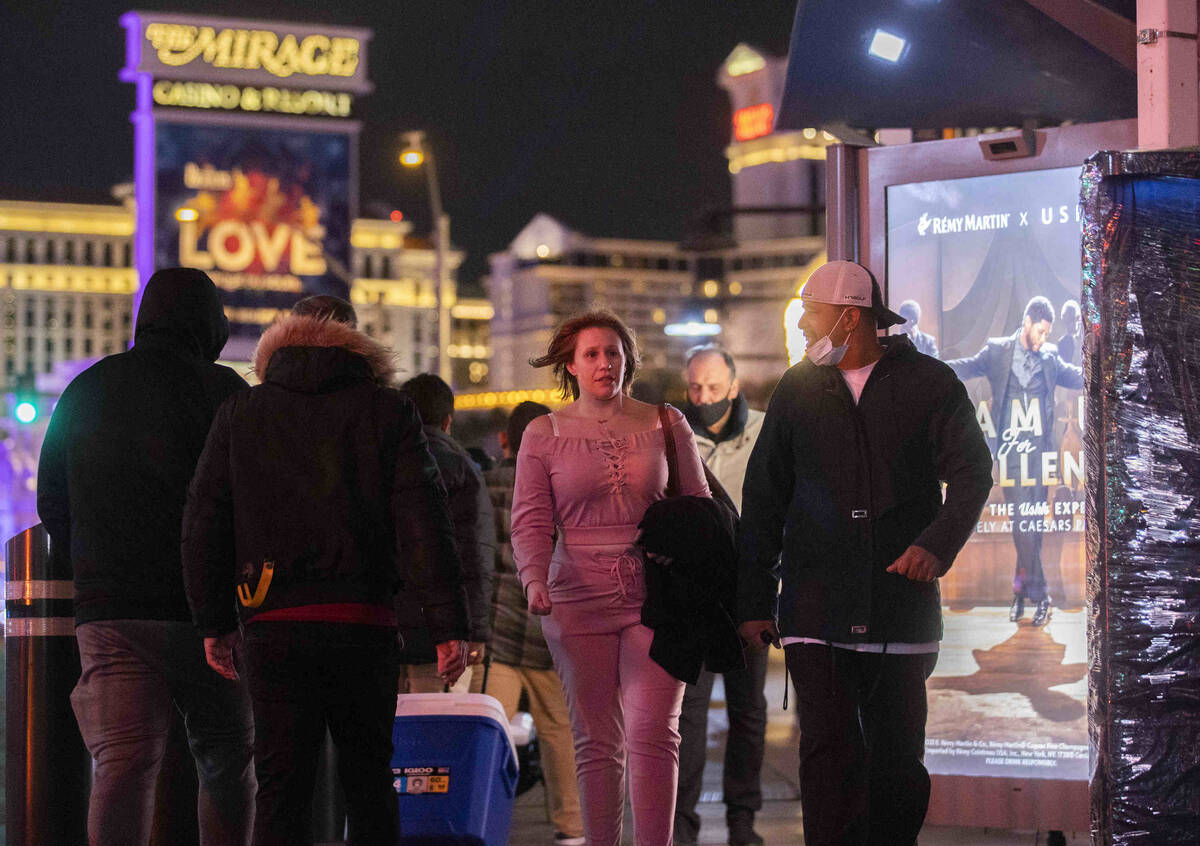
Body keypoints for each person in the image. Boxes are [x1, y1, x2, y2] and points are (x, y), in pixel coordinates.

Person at [182, 295, 470, 846]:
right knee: (369, 786)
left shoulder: (243, 411)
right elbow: (424, 522)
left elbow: (203, 522)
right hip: (364, 623)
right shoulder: (388, 411)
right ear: (355, 343)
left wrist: (213, 622)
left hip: (274, 626)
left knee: (281, 787)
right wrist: (448, 624)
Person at [738, 260, 993, 846]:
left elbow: (974, 472)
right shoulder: (796, 388)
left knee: (898, 760)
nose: (802, 324)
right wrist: (754, 597)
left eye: (812, 313)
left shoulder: (930, 383)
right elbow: (764, 497)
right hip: (815, 608)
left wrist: (935, 545)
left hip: (899, 608)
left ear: (850, 318)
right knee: (826, 754)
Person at [37, 266, 255, 846]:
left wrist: (97, 563)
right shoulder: (225, 392)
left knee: (123, 767)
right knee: (226, 757)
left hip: (111, 613)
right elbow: (253, 497)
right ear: (210, 322)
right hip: (206, 611)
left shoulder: (86, 389)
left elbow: (52, 503)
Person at [511, 309, 710, 846]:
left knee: (654, 732)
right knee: (596, 740)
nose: (605, 363)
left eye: (614, 353)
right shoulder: (543, 433)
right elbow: (529, 518)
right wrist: (533, 577)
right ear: (570, 366)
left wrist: (683, 554)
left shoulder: (666, 421)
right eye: (592, 354)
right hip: (574, 597)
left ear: (629, 361)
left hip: (657, 595)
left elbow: (699, 506)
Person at [476, 400, 585, 846]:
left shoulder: (483, 484)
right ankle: (573, 827)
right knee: (561, 733)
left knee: (489, 733)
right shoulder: (564, 492)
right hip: (547, 635)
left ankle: (480, 815)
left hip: (496, 637)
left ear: (505, 440)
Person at [673, 343, 767, 846]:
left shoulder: (764, 433)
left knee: (748, 712)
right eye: (694, 388)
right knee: (686, 718)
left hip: (751, 593)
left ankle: (742, 822)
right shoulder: (673, 437)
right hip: (694, 601)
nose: (703, 396)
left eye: (712, 387)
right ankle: (681, 826)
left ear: (734, 386)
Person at [945, 296, 1083, 626]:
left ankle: (1021, 593)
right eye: (1041, 331)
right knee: (1023, 524)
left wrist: (1106, 362)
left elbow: (1075, 376)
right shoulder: (997, 350)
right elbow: (966, 366)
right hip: (1009, 457)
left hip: (1040, 457)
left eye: (1048, 333)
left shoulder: (1049, 357)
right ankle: (1042, 594)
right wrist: (927, 367)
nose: (1044, 338)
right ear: (1026, 323)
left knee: (1030, 528)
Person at [396, 372, 494, 693]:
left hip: (384, 630)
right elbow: (474, 554)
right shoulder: (463, 469)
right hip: (443, 634)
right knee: (437, 729)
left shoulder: (379, 460)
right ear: (448, 421)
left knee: (387, 735)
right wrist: (475, 631)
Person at [1056, 299, 1081, 366]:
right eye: (1068, 322)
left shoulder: (1084, 340)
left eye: (1072, 319)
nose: (1070, 325)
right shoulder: (1062, 342)